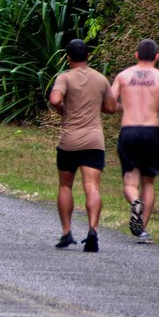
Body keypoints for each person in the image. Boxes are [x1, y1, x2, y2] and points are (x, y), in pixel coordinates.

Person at [109, 38, 159, 244]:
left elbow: (110, 104)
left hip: (129, 131)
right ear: (157, 57)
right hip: (152, 132)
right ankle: (142, 231)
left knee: (130, 181)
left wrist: (126, 106)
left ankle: (135, 201)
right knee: (148, 182)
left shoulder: (124, 76)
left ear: (136, 55)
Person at [48, 39, 115, 253]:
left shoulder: (65, 78)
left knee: (65, 185)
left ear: (68, 57)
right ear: (88, 56)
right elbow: (111, 107)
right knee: (92, 187)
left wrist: (63, 109)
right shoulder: (100, 79)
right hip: (94, 141)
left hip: (69, 141)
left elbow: (55, 99)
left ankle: (67, 232)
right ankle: (92, 229)